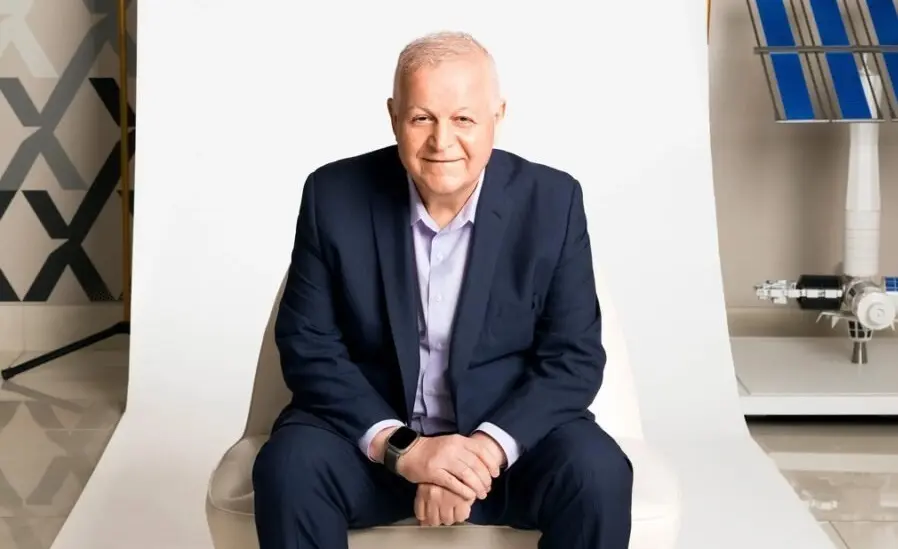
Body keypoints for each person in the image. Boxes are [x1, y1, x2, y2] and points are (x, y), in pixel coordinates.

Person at [252, 31, 633, 549]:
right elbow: (309, 347)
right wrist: (407, 451)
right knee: (290, 468)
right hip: (373, 447)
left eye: (463, 119)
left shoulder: (553, 201)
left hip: (504, 453)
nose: (442, 140)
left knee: (598, 473)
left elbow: (574, 359)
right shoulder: (332, 196)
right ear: (393, 117)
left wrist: (479, 455)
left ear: (498, 116)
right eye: (421, 118)